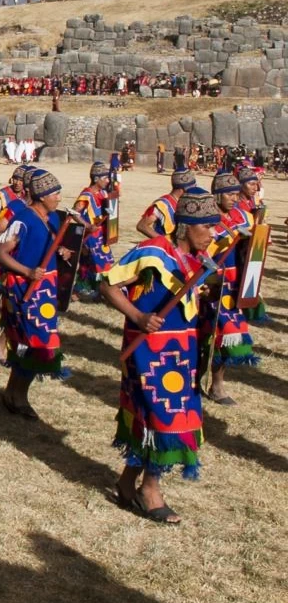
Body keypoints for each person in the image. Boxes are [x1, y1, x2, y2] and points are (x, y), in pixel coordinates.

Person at [98, 190, 217, 526]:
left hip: (181, 352)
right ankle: (150, 490)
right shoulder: (152, 253)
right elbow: (107, 284)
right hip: (149, 351)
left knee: (159, 419)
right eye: (206, 227)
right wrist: (137, 316)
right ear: (186, 228)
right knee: (163, 418)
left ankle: (126, 482)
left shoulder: (193, 259)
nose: (211, 234)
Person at [0, 168, 68, 418]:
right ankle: (18, 395)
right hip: (24, 289)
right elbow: (1, 253)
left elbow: (48, 246)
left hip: (44, 291)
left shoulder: (54, 219)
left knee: (31, 345)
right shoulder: (23, 219)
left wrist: (61, 253)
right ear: (42, 196)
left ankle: (14, 393)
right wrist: (27, 271)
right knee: (33, 343)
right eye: (55, 193)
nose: (59, 197)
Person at [199, 173, 257, 405]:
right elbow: (200, 251)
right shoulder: (206, 218)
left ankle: (217, 384)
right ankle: (197, 380)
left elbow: (254, 251)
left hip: (234, 284)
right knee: (205, 335)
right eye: (230, 194)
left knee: (229, 335)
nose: (235, 198)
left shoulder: (244, 216)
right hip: (211, 283)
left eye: (236, 193)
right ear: (218, 194)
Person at [70, 162, 116, 301]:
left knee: (88, 264)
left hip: (102, 235)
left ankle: (78, 292)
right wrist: (88, 225)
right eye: (105, 178)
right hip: (91, 237)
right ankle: (99, 291)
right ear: (96, 179)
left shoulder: (103, 193)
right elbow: (74, 213)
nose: (107, 181)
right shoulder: (86, 195)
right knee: (100, 264)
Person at [233, 168, 269, 325]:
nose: (256, 188)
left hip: (251, 248)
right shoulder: (236, 205)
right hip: (239, 251)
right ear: (241, 185)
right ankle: (249, 310)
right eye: (252, 184)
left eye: (257, 184)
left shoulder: (250, 201)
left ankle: (254, 309)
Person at [136, 168, 195, 239]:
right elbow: (142, 226)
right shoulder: (163, 205)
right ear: (184, 188)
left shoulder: (185, 203)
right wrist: (164, 243)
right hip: (167, 248)